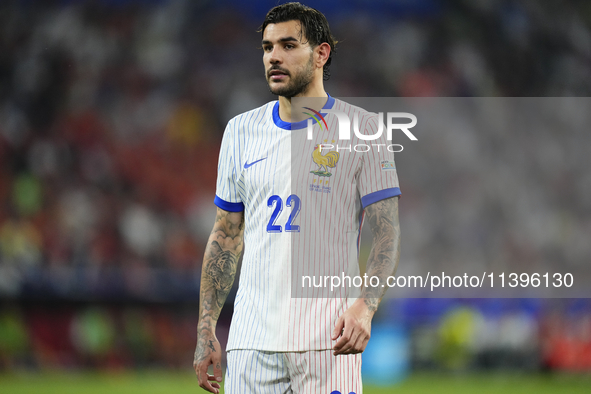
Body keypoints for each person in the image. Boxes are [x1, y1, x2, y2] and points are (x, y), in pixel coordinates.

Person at [193, 3, 401, 393]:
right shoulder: (240, 131)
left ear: (321, 53)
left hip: (329, 339)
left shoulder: (364, 130)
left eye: (289, 45)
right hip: (252, 340)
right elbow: (225, 235)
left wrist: (366, 306)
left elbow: (386, 234)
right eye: (268, 47)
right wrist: (206, 326)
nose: (274, 56)